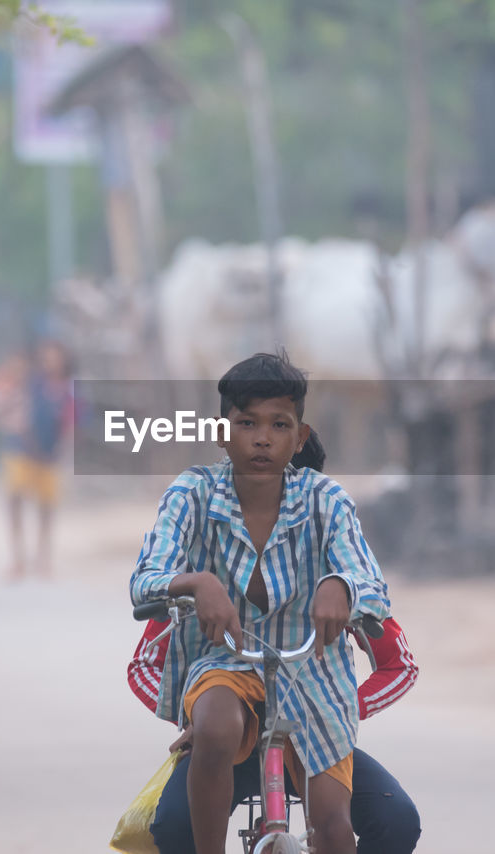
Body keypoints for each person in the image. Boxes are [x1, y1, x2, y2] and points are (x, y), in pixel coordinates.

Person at [131, 352, 390, 854]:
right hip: (226, 664)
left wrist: (342, 585)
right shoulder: (193, 493)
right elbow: (145, 581)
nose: (263, 437)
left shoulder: (326, 500)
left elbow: (373, 584)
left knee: (335, 830)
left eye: (279, 424)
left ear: (300, 435)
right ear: (221, 432)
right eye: (247, 423)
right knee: (214, 723)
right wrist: (194, 582)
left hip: (312, 676)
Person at [0, 339, 74, 580]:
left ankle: (42, 558)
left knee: (46, 505)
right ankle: (18, 558)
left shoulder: (65, 387)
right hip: (20, 448)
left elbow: (72, 420)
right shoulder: (25, 382)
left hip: (49, 453)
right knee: (16, 500)